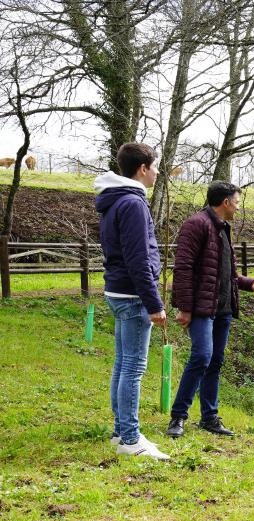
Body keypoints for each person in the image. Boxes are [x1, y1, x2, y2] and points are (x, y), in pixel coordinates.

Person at [166, 181, 254, 438]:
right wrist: (185, 308)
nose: (238, 207)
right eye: (237, 202)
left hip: (223, 309)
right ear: (225, 202)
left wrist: (251, 284)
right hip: (202, 309)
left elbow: (226, 274)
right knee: (201, 357)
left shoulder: (223, 229)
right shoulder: (196, 224)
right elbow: (182, 269)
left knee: (215, 361)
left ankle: (209, 417)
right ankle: (178, 417)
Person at [97, 142, 171, 461]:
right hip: (132, 296)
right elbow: (138, 259)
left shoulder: (116, 200)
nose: (157, 172)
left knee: (123, 362)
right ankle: (129, 437)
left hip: (118, 291)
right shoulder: (133, 203)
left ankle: (120, 432)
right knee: (133, 366)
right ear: (142, 168)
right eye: (154, 166)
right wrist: (154, 303)